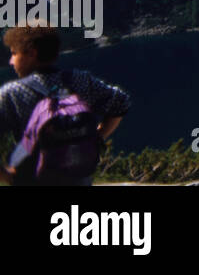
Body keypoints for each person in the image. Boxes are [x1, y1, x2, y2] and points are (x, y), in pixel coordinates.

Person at [0, 24, 130, 186]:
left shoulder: (12, 93)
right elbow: (121, 101)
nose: (11, 61)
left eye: (14, 53)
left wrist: (6, 176)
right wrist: (98, 137)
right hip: (79, 180)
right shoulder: (79, 80)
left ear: (31, 53)